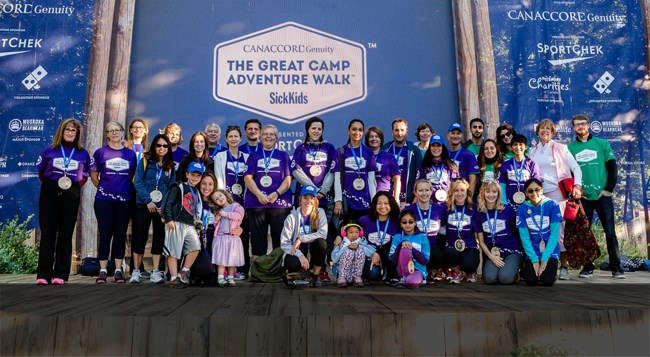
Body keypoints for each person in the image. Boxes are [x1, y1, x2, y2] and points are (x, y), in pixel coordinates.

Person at [568, 114, 625, 279]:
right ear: (573, 128)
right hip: (583, 197)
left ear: (589, 125)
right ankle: (588, 267)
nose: (580, 127)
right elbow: (569, 173)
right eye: (577, 125)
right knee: (585, 233)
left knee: (610, 232)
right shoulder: (570, 148)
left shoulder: (602, 143)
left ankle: (616, 267)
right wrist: (577, 191)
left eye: (583, 124)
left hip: (602, 196)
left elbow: (612, 167)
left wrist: (608, 189)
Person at [35, 118, 91, 285]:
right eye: (67, 129)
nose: (70, 133)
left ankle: (60, 274)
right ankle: (43, 275)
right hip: (50, 191)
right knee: (48, 234)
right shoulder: (49, 150)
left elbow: (86, 174)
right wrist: (52, 185)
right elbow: (41, 172)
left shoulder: (83, 153)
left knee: (66, 234)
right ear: (61, 131)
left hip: (71, 192)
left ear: (77, 134)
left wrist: (73, 186)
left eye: (73, 130)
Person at [529, 119, 583, 280]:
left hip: (558, 195)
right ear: (537, 132)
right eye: (541, 128)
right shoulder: (532, 151)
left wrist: (577, 186)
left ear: (552, 133)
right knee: (538, 230)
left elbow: (576, 168)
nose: (544, 131)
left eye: (548, 129)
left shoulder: (561, 148)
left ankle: (564, 266)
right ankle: (540, 266)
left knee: (559, 231)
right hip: (538, 197)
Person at [90, 121, 137, 284]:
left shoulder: (131, 154)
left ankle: (118, 270)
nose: (114, 133)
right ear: (107, 134)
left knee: (120, 234)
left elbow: (132, 177)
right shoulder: (100, 153)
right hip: (104, 200)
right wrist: (104, 189)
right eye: (110, 131)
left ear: (123, 132)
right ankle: (103, 270)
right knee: (105, 234)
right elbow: (94, 175)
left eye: (117, 130)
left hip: (124, 201)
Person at [131, 134, 176, 284]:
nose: (161, 148)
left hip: (161, 208)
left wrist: (164, 206)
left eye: (165, 146)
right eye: (158, 145)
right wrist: (148, 201)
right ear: (154, 146)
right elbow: (137, 182)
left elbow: (172, 188)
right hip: (143, 205)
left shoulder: (171, 166)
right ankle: (136, 271)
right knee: (140, 237)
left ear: (168, 148)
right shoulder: (144, 161)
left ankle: (156, 271)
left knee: (159, 238)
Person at [244, 124, 292, 261]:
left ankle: (277, 269)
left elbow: (288, 179)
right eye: (265, 134)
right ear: (260, 136)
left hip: (279, 204)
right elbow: (248, 178)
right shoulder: (254, 156)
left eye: (272, 134)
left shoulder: (283, 155)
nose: (268, 136)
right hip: (256, 203)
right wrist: (259, 194)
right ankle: (259, 271)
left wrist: (276, 194)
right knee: (257, 238)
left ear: (276, 138)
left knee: (279, 238)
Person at [161, 161, 206, 288]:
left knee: (195, 247)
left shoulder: (197, 192)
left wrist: (197, 221)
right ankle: (174, 277)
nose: (195, 178)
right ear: (187, 174)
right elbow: (168, 203)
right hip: (176, 222)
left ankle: (184, 271)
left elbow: (196, 208)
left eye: (198, 176)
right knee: (173, 251)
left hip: (190, 225)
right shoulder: (178, 187)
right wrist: (169, 218)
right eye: (192, 174)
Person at [214, 125, 249, 280]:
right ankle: (224, 272)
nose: (234, 139)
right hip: (227, 205)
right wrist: (222, 204)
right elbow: (218, 180)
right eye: (231, 136)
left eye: (236, 136)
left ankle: (241, 270)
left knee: (241, 237)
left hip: (242, 204)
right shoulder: (221, 156)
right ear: (226, 139)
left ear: (241, 138)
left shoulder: (246, 157)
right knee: (226, 238)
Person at [516, 178, 563, 286]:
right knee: (530, 280)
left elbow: (554, 236)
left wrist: (545, 259)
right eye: (530, 191)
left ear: (542, 190)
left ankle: (550, 270)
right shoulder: (522, 209)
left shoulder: (553, 205)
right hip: (533, 251)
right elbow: (525, 238)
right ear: (526, 193)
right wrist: (534, 260)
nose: (534, 193)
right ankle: (526, 269)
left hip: (550, 251)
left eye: (537, 190)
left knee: (547, 280)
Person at [280, 185, 328, 286]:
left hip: (314, 254)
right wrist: (300, 255)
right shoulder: (292, 217)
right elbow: (284, 243)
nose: (308, 201)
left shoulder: (321, 213)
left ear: (315, 200)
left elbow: (323, 233)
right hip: (299, 254)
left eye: (311, 198)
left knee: (321, 243)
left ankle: (315, 275)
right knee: (291, 262)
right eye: (305, 198)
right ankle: (300, 274)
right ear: (300, 199)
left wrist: (301, 238)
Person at [475, 181, 522, 284]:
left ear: (498, 193)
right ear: (483, 193)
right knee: (489, 279)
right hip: (494, 253)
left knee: (505, 279)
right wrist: (491, 257)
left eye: (494, 192)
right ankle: (506, 269)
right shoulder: (479, 213)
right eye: (487, 191)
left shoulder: (508, 210)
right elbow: (481, 242)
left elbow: (518, 231)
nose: (491, 195)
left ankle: (514, 270)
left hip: (512, 250)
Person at [333, 119, 377, 222]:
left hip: (365, 203)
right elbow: (337, 178)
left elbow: (371, 181)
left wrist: (374, 202)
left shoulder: (368, 152)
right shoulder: (340, 151)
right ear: (348, 131)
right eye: (354, 129)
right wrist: (338, 200)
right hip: (347, 203)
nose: (357, 133)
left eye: (360, 130)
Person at [291, 116, 337, 209]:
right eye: (313, 128)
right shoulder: (301, 148)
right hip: (305, 195)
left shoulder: (329, 147)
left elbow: (332, 170)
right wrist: (313, 189)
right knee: (303, 223)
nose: (316, 131)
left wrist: (323, 190)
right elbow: (296, 171)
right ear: (308, 130)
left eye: (319, 129)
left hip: (323, 196)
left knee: (323, 223)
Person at [404, 179, 445, 284]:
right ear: (415, 192)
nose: (424, 193)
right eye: (420, 190)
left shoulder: (439, 209)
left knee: (438, 253)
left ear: (431, 192)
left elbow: (443, 231)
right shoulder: (408, 210)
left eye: (427, 190)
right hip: (415, 246)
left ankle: (432, 271)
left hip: (433, 247)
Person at [358, 192, 401, 283]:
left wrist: (379, 254)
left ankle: (389, 272)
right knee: (372, 274)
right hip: (370, 255)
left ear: (391, 204)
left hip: (389, 257)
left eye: (386, 203)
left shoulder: (398, 221)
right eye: (379, 203)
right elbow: (356, 239)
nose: (382, 206)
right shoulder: (364, 220)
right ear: (374, 205)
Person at [443, 178, 480, 284]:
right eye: (456, 190)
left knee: (469, 264)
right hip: (451, 246)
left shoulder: (473, 208)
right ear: (452, 192)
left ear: (467, 192)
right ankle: (457, 271)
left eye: (462, 190)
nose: (459, 193)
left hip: (469, 246)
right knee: (448, 253)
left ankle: (469, 271)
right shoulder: (446, 208)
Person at [381, 118, 423, 206]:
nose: (399, 133)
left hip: (409, 200)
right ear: (392, 132)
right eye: (396, 130)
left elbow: (420, 174)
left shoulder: (413, 150)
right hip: (388, 199)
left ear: (406, 131)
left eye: (402, 130)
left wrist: (417, 195)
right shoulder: (385, 149)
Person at [211, 189, 245, 287]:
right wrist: (217, 220)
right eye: (216, 199)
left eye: (220, 196)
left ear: (225, 195)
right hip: (221, 237)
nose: (219, 199)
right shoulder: (219, 211)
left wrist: (225, 214)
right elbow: (217, 225)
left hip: (232, 237)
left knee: (231, 260)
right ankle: (220, 277)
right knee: (221, 260)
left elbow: (239, 215)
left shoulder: (235, 206)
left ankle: (231, 277)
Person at [389, 209, 430, 289]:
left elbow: (425, 260)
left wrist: (412, 249)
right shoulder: (397, 237)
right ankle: (404, 278)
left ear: (415, 223)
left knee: (411, 282)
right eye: (404, 222)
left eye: (410, 222)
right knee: (404, 249)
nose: (407, 224)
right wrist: (401, 245)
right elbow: (393, 260)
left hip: (418, 270)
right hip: (401, 272)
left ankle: (411, 280)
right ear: (401, 224)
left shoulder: (422, 238)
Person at [499, 134, 542, 208]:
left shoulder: (532, 164)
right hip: (510, 205)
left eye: (521, 144)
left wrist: (534, 202)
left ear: (525, 147)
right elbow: (502, 185)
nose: (518, 147)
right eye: (515, 144)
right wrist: (504, 203)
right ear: (511, 147)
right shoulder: (505, 164)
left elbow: (537, 185)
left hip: (528, 204)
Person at [332, 221, 375, 287]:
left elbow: (370, 253)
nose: (354, 235)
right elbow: (334, 259)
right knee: (349, 252)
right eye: (351, 232)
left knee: (360, 251)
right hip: (340, 271)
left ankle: (357, 277)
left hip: (356, 273)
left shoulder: (362, 242)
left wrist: (359, 247)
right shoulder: (341, 244)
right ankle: (342, 278)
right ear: (345, 233)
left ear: (360, 233)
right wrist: (346, 248)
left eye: (357, 232)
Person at [418, 134, 459, 203]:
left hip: (447, 202)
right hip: (429, 203)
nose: (436, 148)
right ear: (430, 147)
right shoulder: (424, 165)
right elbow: (420, 185)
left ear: (443, 147)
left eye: (438, 145)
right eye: (433, 145)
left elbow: (455, 185)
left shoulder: (450, 165)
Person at [367, 126, 401, 203]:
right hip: (366, 197)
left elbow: (397, 179)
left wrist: (396, 198)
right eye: (371, 137)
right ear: (367, 139)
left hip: (385, 197)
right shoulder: (363, 156)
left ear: (381, 139)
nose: (374, 139)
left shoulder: (389, 157)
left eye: (377, 136)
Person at [447, 123, 480, 195]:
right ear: (448, 136)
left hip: (462, 195)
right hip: (448, 195)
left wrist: (469, 199)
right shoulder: (445, 155)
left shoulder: (469, 155)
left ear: (462, 136)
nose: (455, 136)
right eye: (453, 133)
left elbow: (473, 180)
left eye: (458, 133)